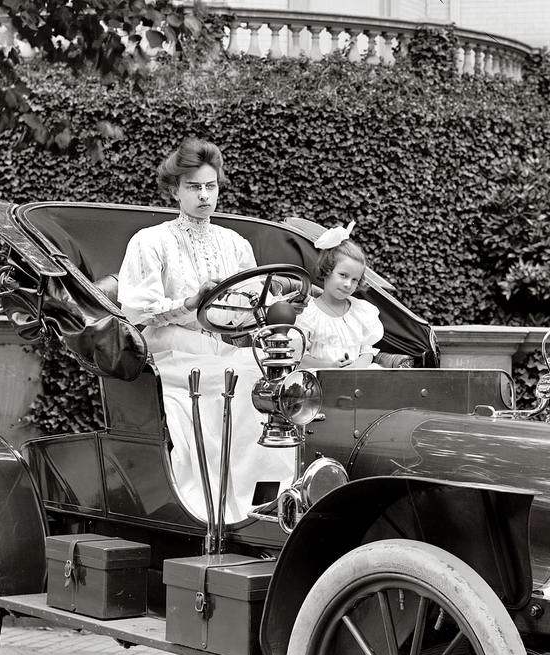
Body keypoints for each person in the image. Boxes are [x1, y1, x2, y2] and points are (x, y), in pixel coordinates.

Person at [117, 137, 295, 525]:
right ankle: (216, 509)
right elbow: (135, 309)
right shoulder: (152, 241)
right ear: (174, 191)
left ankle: (267, 497)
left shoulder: (236, 244)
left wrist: (268, 303)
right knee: (235, 379)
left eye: (210, 186)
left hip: (226, 348)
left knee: (275, 379)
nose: (203, 195)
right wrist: (189, 305)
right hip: (170, 351)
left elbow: (251, 304)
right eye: (193, 187)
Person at [299, 223, 384, 369]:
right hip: (321, 378)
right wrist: (331, 367)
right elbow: (299, 359)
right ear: (326, 270)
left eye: (354, 280)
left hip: (356, 379)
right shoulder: (308, 313)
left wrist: (355, 368)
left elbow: (367, 351)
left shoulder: (361, 312)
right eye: (343, 275)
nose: (348, 284)